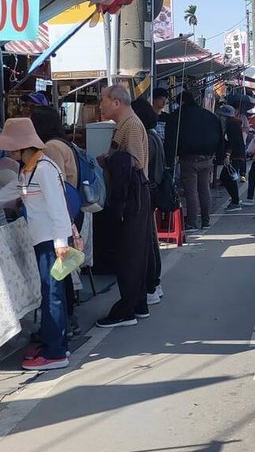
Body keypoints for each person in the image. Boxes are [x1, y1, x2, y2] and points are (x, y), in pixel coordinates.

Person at [0, 118, 72, 370]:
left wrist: (61, 243)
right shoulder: (28, 169)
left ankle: (55, 353)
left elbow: (59, 208)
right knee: (51, 293)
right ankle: (54, 342)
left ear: (22, 146)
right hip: (43, 240)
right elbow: (8, 193)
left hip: (52, 242)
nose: (8, 151)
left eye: (11, 146)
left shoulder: (45, 169)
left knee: (52, 295)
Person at [96, 85, 151, 328]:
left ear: (116, 102)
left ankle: (126, 310)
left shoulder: (131, 124)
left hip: (133, 193)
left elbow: (135, 163)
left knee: (129, 252)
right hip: (133, 193)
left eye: (103, 100)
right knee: (134, 251)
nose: (101, 105)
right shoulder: (125, 123)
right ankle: (138, 304)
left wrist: (110, 161)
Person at [30, 106, 82, 338]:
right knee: (63, 273)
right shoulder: (63, 143)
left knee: (58, 278)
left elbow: (54, 188)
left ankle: (63, 326)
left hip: (60, 220)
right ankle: (66, 323)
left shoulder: (50, 148)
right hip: (69, 214)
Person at [164, 91, 223, 230]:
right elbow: (220, 136)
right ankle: (206, 220)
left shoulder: (178, 116)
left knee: (191, 192)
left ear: (181, 102)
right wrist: (219, 157)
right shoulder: (209, 115)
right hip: (207, 157)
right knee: (204, 189)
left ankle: (192, 222)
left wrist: (169, 160)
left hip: (188, 158)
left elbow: (171, 139)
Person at [131, 97, 166, 307]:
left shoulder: (146, 138)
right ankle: (155, 284)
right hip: (154, 189)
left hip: (148, 190)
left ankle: (152, 285)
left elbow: (141, 165)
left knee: (149, 239)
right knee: (151, 238)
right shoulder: (154, 136)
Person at [217, 104, 245, 212]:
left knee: (227, 177)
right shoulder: (234, 124)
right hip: (237, 155)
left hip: (235, 156)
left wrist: (227, 155)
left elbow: (232, 141)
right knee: (228, 177)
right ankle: (234, 199)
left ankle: (235, 201)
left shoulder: (232, 125)